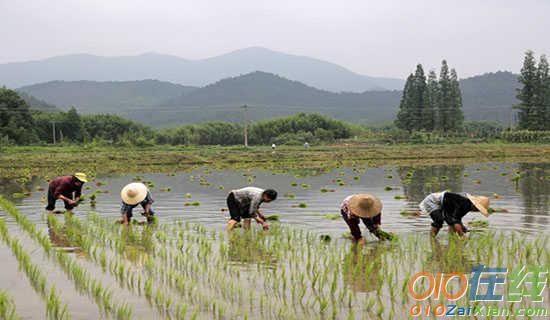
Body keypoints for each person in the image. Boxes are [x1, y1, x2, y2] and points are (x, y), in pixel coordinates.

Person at [419, 191, 490, 237]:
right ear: (474, 205)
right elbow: (456, 221)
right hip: (433, 201)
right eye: (478, 209)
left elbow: (457, 218)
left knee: (451, 221)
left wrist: (462, 226)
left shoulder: (467, 206)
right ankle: (432, 239)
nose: (477, 211)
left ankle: (451, 239)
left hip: (445, 203)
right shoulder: (464, 204)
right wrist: (462, 236)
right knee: (439, 220)